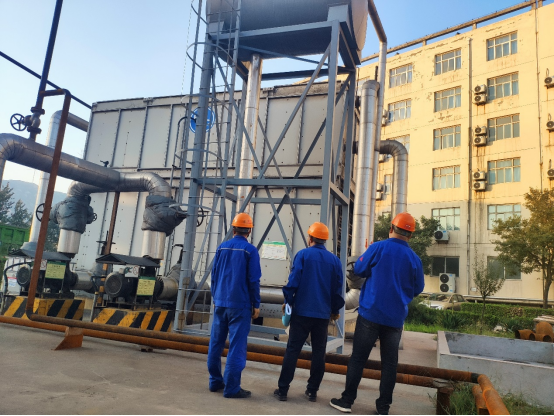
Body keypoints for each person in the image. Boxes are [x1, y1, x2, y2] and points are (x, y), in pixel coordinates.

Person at [329, 212, 424, 415]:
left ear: (391, 228)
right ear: (410, 235)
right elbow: (418, 288)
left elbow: (359, 269)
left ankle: (346, 401)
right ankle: (383, 407)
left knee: (358, 358)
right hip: (395, 319)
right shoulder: (414, 259)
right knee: (390, 364)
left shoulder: (378, 247)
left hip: (370, 314)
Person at [274, 222, 345, 402]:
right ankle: (312, 391)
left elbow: (293, 281)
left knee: (292, 350)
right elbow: (337, 289)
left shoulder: (303, 255)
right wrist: (334, 310)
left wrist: (288, 302)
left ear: (310, 238)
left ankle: (283, 390)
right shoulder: (334, 261)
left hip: (301, 313)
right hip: (322, 315)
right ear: (325, 240)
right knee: (319, 352)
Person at [207, 213, 261, 399]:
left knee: (216, 343)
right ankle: (231, 388)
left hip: (220, 303)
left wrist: (216, 298)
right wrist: (256, 304)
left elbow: (214, 276)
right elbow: (253, 280)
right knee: (237, 346)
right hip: (240, 305)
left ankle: (215, 382)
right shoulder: (250, 251)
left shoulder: (221, 248)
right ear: (249, 231)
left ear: (233, 229)